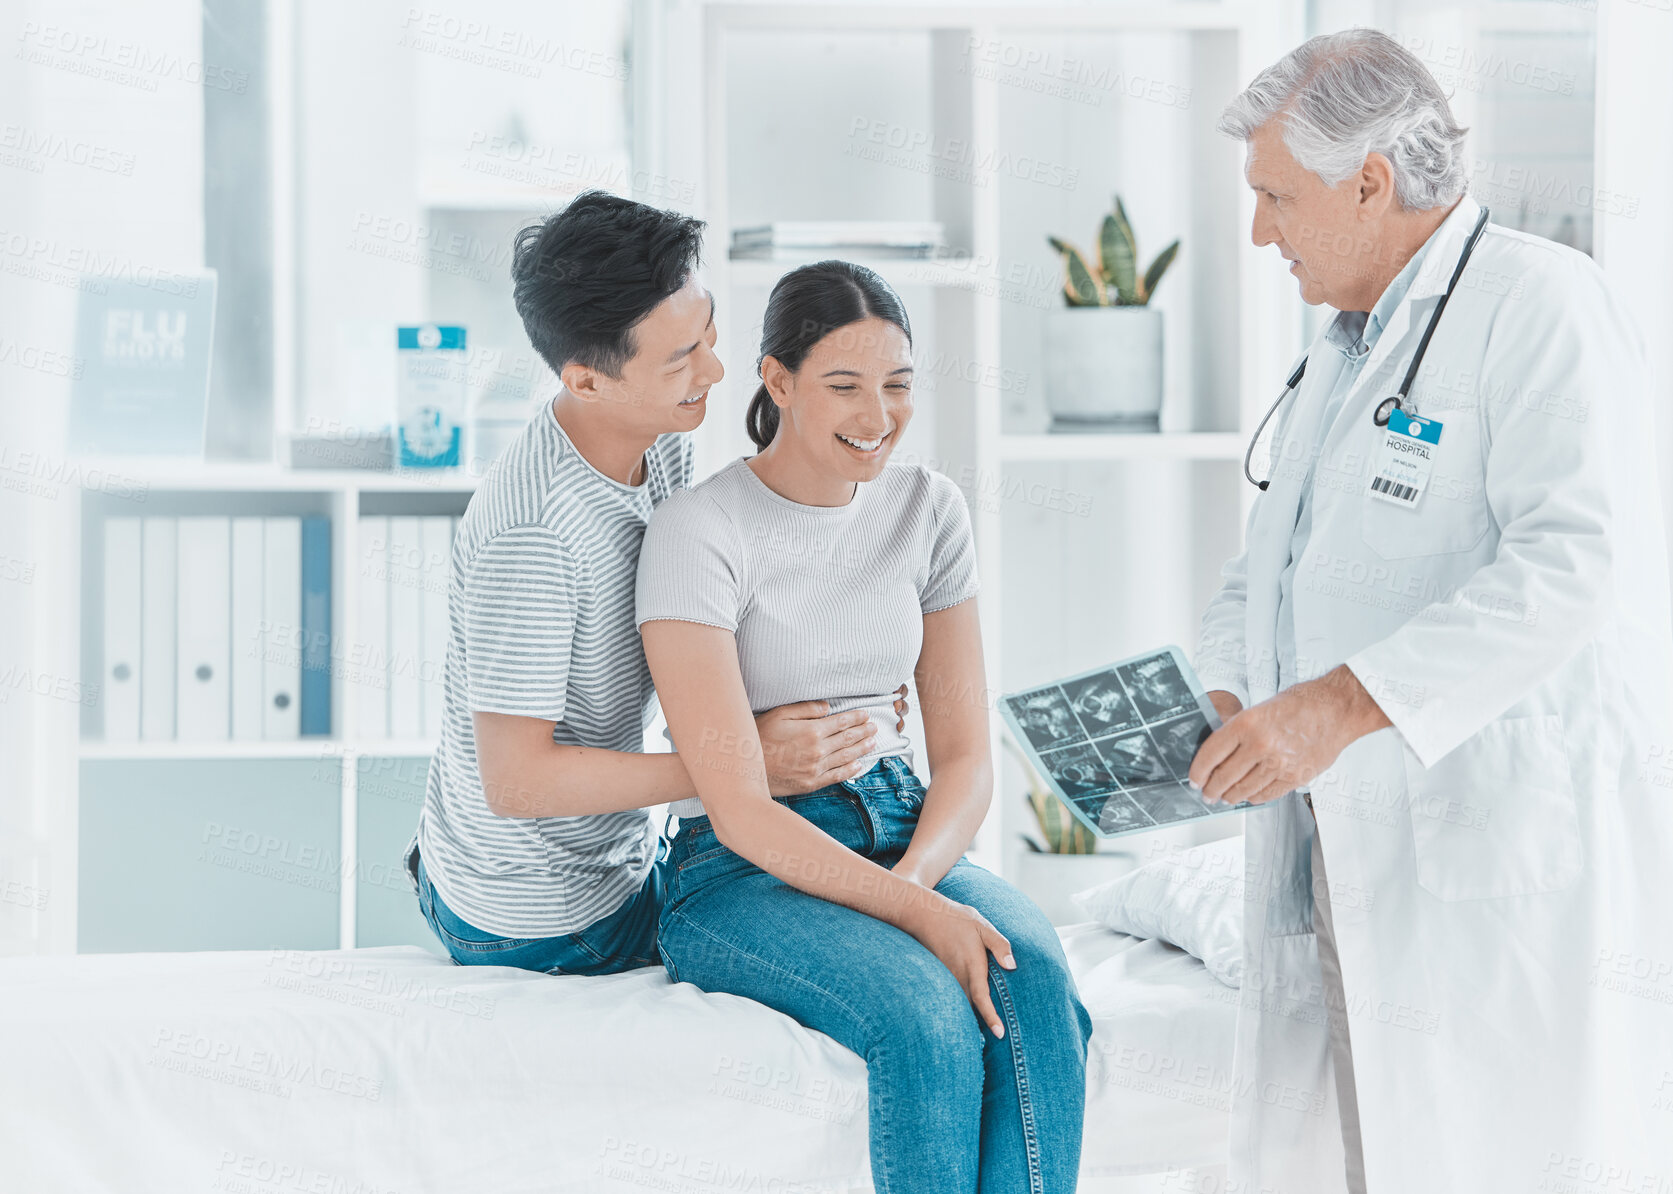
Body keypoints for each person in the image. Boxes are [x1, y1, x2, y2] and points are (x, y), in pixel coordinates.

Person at [1187, 30, 1673, 1193]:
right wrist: (1222, 692)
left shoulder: (1540, 302)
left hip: (1481, 838)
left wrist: (1341, 708)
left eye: (1274, 198)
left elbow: (1574, 563)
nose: (1260, 233)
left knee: (1488, 1153)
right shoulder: (1346, 345)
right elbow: (1271, 566)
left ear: (1368, 181)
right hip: (1339, 837)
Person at [635, 260, 1093, 1193]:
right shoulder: (701, 529)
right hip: (741, 871)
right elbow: (739, 809)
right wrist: (916, 920)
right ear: (777, 381)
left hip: (902, 830)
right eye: (844, 386)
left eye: (896, 386)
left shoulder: (928, 509)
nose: (876, 414)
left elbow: (964, 757)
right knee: (924, 1016)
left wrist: (918, 889)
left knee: (1035, 982)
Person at [401, 192, 905, 974]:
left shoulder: (654, 438)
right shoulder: (534, 533)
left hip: (621, 852)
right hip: (535, 915)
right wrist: (745, 767)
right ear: (586, 380)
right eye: (680, 361)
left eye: (705, 336)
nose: (714, 370)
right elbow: (516, 780)